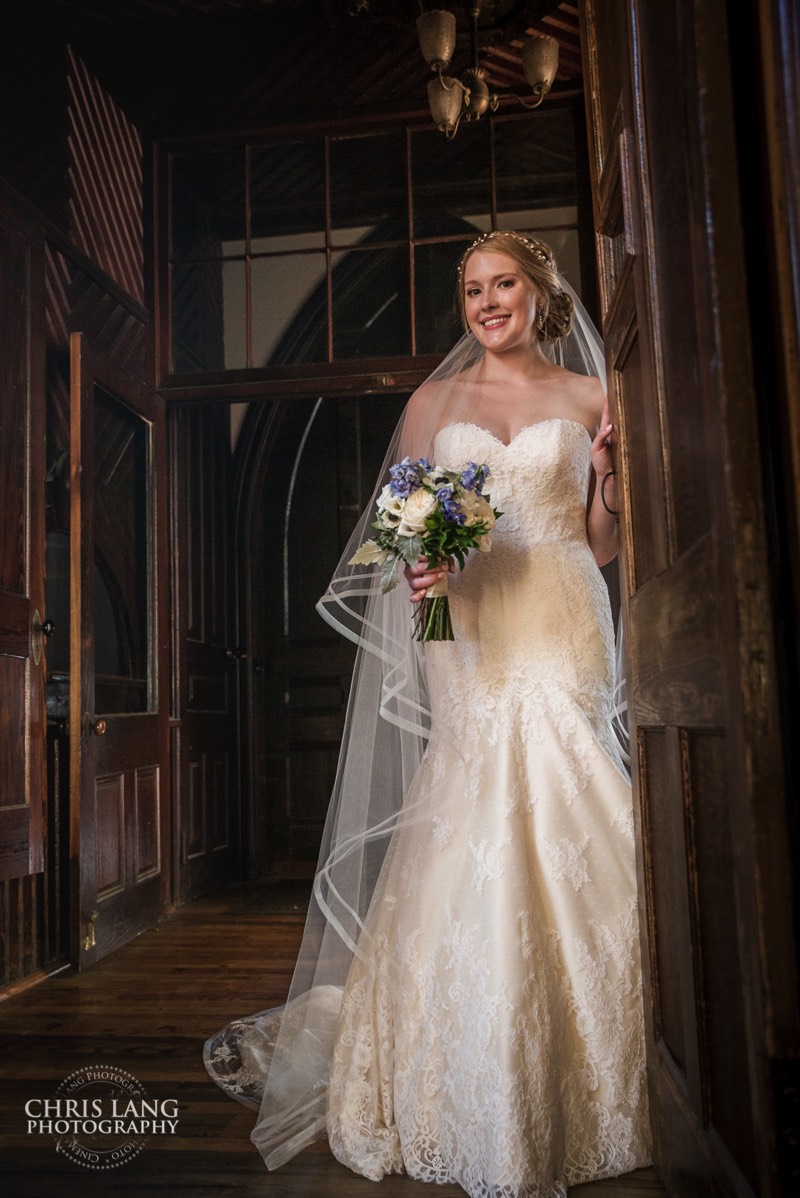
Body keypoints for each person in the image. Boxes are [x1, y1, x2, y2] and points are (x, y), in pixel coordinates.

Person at [205, 231, 652, 1197]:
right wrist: (434, 596)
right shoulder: (432, 406)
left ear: (540, 295)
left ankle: (624, 1062)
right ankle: (467, 1067)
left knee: (576, 787)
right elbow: (410, 552)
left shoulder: (591, 399)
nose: (487, 303)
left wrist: (610, 483)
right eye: (472, 290)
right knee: (475, 806)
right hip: (470, 636)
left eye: (503, 286)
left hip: (566, 617)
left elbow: (603, 546)